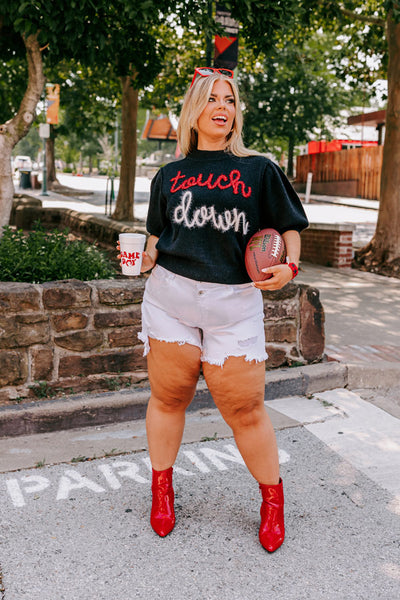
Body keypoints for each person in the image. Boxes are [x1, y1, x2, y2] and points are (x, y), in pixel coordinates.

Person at [134, 67, 308, 552]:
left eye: (229, 99)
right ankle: (162, 490)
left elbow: (289, 226)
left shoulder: (259, 169)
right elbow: (155, 240)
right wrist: (142, 257)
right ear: (195, 110)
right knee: (169, 399)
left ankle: (272, 502)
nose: (223, 107)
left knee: (246, 409)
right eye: (213, 98)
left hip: (234, 304)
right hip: (171, 300)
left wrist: (289, 267)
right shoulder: (169, 175)